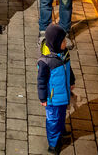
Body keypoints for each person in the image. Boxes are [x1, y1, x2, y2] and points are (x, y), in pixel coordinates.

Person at [37, 22, 75, 154]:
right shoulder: (46, 62)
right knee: (53, 119)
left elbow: (68, 68)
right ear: (55, 43)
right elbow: (41, 81)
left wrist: (71, 80)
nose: (65, 42)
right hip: (52, 98)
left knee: (61, 114)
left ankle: (61, 130)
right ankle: (53, 144)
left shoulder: (64, 53)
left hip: (63, 93)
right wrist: (43, 97)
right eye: (63, 40)